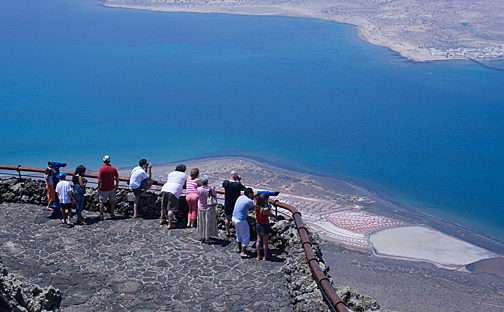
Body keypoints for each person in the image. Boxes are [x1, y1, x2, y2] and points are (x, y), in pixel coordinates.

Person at [160, 164, 187, 229]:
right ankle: (170, 224)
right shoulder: (184, 175)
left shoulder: (171, 173)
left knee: (164, 206)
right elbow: (185, 183)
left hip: (165, 189)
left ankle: (162, 219)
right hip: (174, 191)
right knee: (171, 209)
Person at [232, 188, 255, 258]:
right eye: (252, 193)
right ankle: (243, 252)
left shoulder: (240, 197)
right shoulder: (249, 201)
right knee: (246, 236)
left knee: (238, 234)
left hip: (234, 218)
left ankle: (239, 248)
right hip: (241, 220)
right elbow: (255, 207)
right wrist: (255, 199)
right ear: (249, 194)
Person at [222, 171, 245, 236]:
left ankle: (227, 231)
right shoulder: (237, 185)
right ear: (235, 176)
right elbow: (244, 188)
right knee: (236, 218)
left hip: (227, 202)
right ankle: (236, 232)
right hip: (236, 203)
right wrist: (240, 180)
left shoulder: (225, 183)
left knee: (227, 218)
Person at [196, 175, 217, 242]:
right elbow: (215, 196)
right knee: (208, 223)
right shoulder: (211, 189)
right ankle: (207, 237)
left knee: (202, 223)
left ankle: (202, 235)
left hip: (201, 208)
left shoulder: (199, 189)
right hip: (209, 208)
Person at [98, 155, 119, 220]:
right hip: (112, 187)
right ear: (109, 161)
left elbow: (100, 179)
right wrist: (117, 185)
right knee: (112, 201)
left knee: (102, 202)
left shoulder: (101, 169)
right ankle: (112, 214)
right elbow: (117, 178)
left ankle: (101, 215)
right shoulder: (113, 168)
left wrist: (99, 187)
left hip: (104, 188)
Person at [254, 194, 273, 261]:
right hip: (265, 225)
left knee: (258, 240)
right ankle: (265, 256)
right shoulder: (265, 209)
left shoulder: (256, 207)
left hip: (258, 224)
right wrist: (268, 207)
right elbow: (271, 214)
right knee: (265, 242)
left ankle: (258, 256)